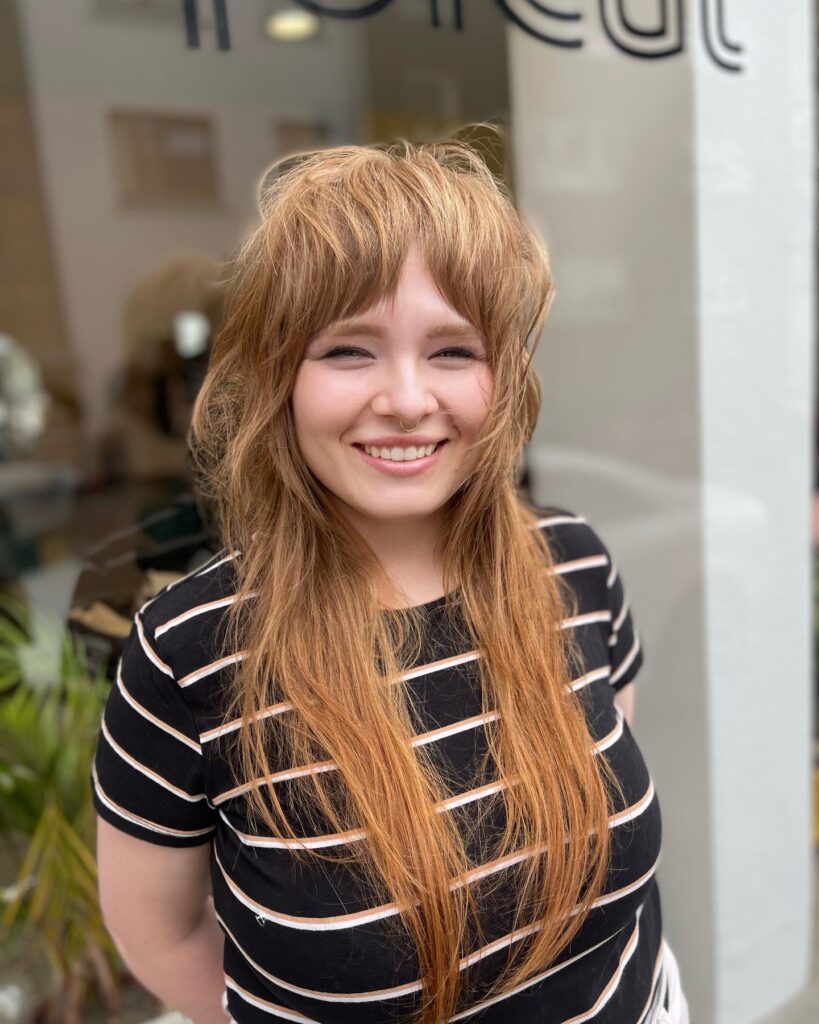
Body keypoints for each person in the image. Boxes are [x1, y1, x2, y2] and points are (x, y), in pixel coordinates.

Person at [91, 138, 689, 1024]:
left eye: (452, 350)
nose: (407, 397)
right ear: (277, 377)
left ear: (505, 376)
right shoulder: (191, 652)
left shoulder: (573, 562)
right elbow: (164, 938)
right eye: (348, 351)